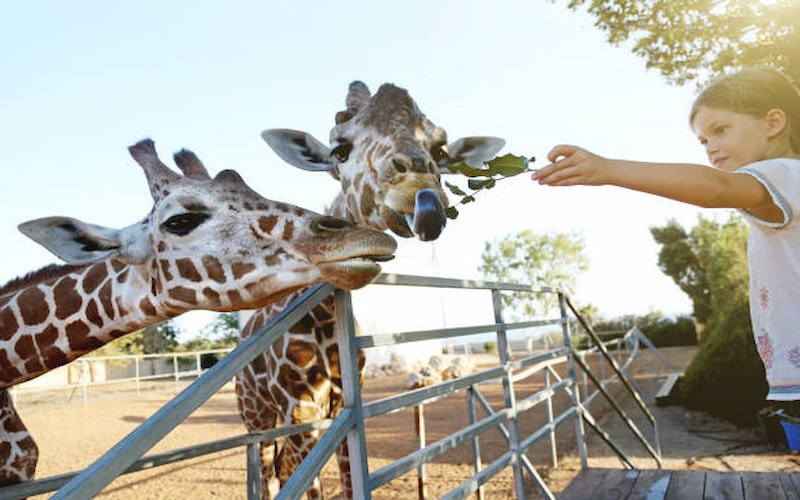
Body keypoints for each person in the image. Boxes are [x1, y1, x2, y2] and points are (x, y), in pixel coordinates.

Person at [533, 67, 800, 404]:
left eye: (720, 130)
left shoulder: (785, 174)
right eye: (704, 140)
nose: (711, 148)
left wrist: (608, 170)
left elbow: (716, 188)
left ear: (773, 123)